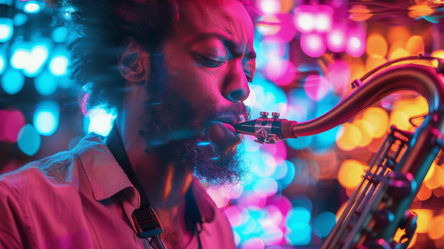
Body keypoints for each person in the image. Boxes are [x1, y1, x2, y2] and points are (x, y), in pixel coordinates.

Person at [0, 0, 256, 248]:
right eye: (213, 57)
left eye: (248, 69)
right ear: (134, 61)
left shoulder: (219, 229)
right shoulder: (17, 209)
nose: (242, 88)